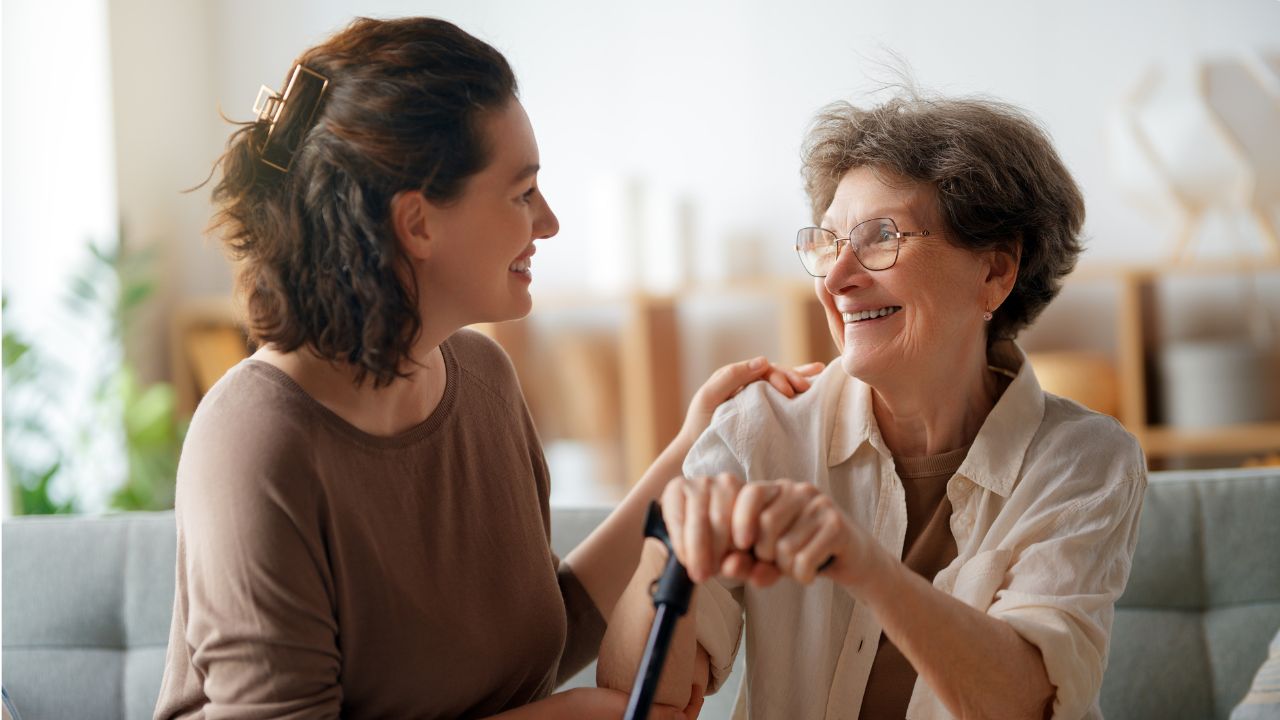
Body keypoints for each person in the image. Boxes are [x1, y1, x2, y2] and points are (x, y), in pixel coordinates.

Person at [154, 17, 822, 720]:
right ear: (418, 224)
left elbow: (527, 643)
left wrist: (692, 450)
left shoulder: (481, 378)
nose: (549, 221)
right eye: (522, 193)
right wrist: (581, 716)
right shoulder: (255, 442)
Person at [599, 91, 1147, 720]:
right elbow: (641, 698)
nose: (835, 280)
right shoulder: (759, 432)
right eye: (828, 244)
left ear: (996, 271)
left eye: (881, 238)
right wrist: (668, 540)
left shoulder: (1085, 462)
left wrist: (866, 568)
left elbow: (1025, 701)